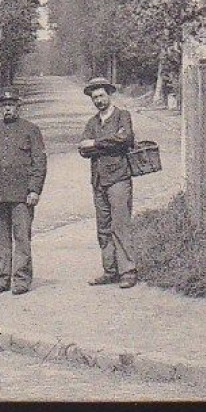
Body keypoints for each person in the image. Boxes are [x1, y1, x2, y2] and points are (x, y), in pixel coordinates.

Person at [0, 87, 47, 295]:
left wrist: (34, 189)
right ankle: (2, 278)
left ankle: (22, 279)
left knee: (22, 237)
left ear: (19, 107)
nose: (8, 109)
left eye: (12, 105)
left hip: (21, 195)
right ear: (1, 108)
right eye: (5, 105)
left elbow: (39, 163)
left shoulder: (31, 130)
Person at [77, 76, 140, 288]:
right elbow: (82, 150)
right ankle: (110, 270)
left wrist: (95, 143)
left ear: (109, 95)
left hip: (119, 178)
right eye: (94, 98)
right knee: (103, 228)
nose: (98, 101)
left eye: (102, 96)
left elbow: (125, 139)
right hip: (98, 181)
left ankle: (128, 271)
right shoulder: (92, 122)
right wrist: (107, 144)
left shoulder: (123, 116)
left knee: (120, 225)